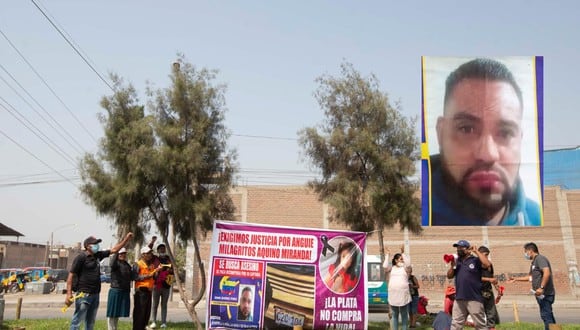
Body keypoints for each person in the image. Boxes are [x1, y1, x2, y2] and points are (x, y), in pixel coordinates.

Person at [430, 57, 541, 226]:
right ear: (440, 133)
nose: (488, 154)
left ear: (520, 140)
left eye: (505, 133)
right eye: (467, 129)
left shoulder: (536, 217)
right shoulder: (411, 210)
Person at [66, 233, 133, 330]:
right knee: (77, 321)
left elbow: (114, 250)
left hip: (95, 295)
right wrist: (69, 294)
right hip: (83, 295)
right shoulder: (81, 257)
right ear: (88, 246)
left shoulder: (98, 255)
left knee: (90, 321)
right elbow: (71, 275)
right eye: (95, 243)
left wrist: (126, 239)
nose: (97, 245)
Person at [509, 242, 556, 330]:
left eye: (525, 251)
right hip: (539, 294)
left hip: (544, 294)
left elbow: (546, 272)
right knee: (548, 315)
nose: (525, 254)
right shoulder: (534, 262)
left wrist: (541, 288)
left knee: (546, 316)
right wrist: (516, 279)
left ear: (530, 251)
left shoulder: (540, 259)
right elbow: (530, 277)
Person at [446, 239, 490, 329]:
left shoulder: (475, 260)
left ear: (467, 249)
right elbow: (449, 276)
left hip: (474, 298)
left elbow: (487, 264)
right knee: (456, 324)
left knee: (480, 324)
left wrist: (476, 251)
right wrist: (452, 266)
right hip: (459, 298)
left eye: (461, 247)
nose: (458, 249)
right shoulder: (457, 261)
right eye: (457, 248)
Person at [133, 246, 161, 330]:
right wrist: (149, 275)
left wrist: (157, 272)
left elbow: (154, 278)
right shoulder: (137, 264)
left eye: (150, 253)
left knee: (146, 313)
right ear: (143, 254)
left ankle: (144, 327)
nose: (150, 255)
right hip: (141, 292)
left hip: (149, 291)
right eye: (148, 253)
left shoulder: (151, 265)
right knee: (139, 313)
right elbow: (135, 277)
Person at [384, 245, 412, 330]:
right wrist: (387, 255)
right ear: (396, 261)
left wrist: (403, 253)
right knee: (395, 315)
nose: (402, 261)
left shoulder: (406, 268)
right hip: (393, 295)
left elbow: (408, 264)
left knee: (404, 315)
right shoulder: (391, 268)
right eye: (400, 259)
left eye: (402, 259)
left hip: (403, 295)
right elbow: (385, 267)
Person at [106, 247, 133, 330]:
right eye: (121, 254)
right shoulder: (115, 264)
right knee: (112, 313)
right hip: (115, 290)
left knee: (117, 313)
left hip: (124, 291)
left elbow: (132, 276)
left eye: (124, 253)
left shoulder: (127, 265)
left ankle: (115, 328)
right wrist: (117, 251)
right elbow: (112, 262)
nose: (122, 255)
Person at [149, 242, 174, 329]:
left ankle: (163, 322)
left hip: (166, 286)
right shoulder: (155, 259)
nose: (162, 250)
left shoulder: (169, 259)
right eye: (160, 249)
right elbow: (148, 251)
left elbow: (173, 270)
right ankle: (153, 322)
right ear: (158, 251)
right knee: (155, 304)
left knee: (164, 305)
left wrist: (168, 270)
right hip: (156, 286)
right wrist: (152, 242)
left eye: (164, 249)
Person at [478, 246, 501, 329]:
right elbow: (474, 278)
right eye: (485, 255)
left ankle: (491, 327)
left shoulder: (489, 265)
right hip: (478, 293)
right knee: (479, 315)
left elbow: (492, 277)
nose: (487, 257)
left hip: (488, 292)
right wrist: (489, 279)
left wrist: (498, 289)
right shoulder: (475, 265)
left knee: (491, 314)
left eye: (488, 255)